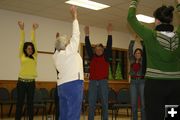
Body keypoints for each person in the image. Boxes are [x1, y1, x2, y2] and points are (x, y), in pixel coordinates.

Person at [127, 0, 180, 120]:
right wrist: (178, 4)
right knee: (173, 116)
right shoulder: (178, 36)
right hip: (176, 84)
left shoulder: (150, 35)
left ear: (156, 20)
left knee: (154, 116)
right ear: (171, 20)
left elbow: (131, 17)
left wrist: (135, 1)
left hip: (155, 85)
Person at [52, 6, 84, 120]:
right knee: (73, 114)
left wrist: (58, 40)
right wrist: (75, 17)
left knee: (64, 114)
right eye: (67, 42)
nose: (69, 42)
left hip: (61, 87)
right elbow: (76, 35)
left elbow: (58, 48)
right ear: (65, 45)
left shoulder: (56, 56)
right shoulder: (69, 52)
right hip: (73, 85)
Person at [84, 24, 112, 120]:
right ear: (95, 50)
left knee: (104, 103)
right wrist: (87, 35)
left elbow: (109, 45)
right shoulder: (92, 57)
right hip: (92, 82)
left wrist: (109, 34)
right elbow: (87, 47)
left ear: (103, 50)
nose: (98, 50)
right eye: (96, 49)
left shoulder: (106, 57)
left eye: (100, 49)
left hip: (103, 82)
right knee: (91, 103)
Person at [15, 21, 39, 120]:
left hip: (31, 83)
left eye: (31, 48)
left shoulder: (35, 56)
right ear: (25, 49)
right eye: (28, 48)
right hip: (21, 82)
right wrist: (22, 30)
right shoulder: (22, 55)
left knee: (30, 104)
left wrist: (33, 30)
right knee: (19, 103)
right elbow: (21, 42)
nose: (30, 49)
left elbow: (34, 42)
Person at [128, 35, 146, 120]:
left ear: (141, 54)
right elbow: (129, 51)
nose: (137, 54)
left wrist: (142, 42)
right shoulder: (132, 60)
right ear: (134, 54)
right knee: (133, 104)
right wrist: (133, 41)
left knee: (143, 104)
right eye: (136, 53)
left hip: (142, 82)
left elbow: (146, 53)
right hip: (133, 83)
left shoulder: (143, 61)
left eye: (139, 53)